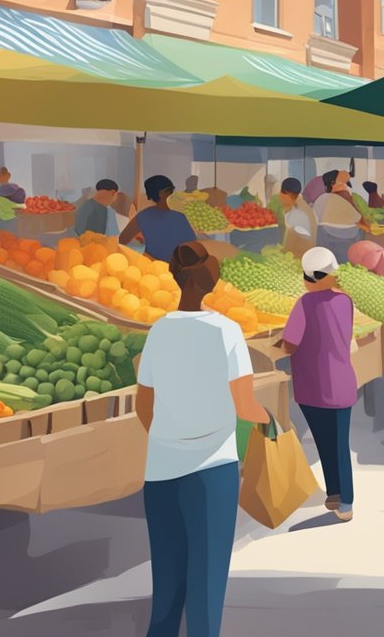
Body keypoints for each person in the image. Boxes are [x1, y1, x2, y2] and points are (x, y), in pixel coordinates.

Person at [136, 241, 269, 637]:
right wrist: (273, 421)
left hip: (161, 473)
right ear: (211, 278)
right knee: (206, 587)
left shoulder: (158, 331)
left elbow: (145, 406)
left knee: (167, 585)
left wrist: (171, 437)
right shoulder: (228, 332)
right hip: (213, 473)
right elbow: (245, 407)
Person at [281, 247, 357, 522]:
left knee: (325, 442)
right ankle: (338, 496)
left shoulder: (304, 304)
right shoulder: (345, 301)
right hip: (342, 383)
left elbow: (289, 344)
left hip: (312, 386)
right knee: (338, 443)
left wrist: (276, 344)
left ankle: (343, 499)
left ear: (309, 278)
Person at [120, 175, 198, 264]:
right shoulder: (180, 217)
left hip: (155, 267)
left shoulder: (143, 216)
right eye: (170, 191)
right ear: (161, 194)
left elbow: (122, 240)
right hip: (178, 268)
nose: (173, 194)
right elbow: (193, 245)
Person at [314, 169, 371, 263]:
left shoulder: (323, 199)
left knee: (318, 227)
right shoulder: (354, 198)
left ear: (330, 184)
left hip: (328, 241)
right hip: (353, 239)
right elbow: (362, 218)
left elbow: (315, 219)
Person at [275, 178, 317, 257]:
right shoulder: (303, 205)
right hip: (307, 253)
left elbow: (288, 245)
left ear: (286, 194)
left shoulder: (296, 213)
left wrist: (282, 252)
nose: (279, 196)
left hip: (298, 257)